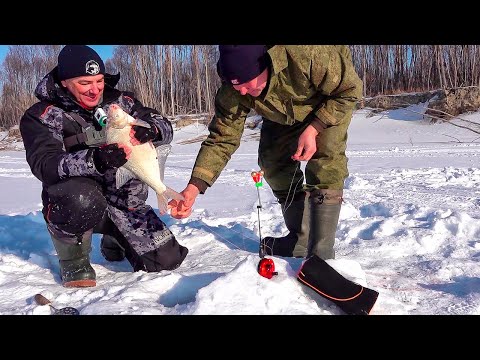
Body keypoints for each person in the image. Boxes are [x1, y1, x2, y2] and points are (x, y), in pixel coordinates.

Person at [169, 45, 362, 261]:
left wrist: (315, 127)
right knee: (273, 162)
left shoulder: (307, 53)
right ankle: (301, 238)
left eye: (246, 82)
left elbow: (349, 90)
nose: (242, 91)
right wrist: (194, 187)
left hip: (330, 100)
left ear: (265, 65)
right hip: (281, 112)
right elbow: (222, 138)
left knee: (325, 161)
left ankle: (321, 254)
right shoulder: (233, 90)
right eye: (236, 86)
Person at [20, 45, 188, 288]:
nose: (95, 89)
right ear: (66, 81)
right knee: (80, 199)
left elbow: (165, 126)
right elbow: (45, 164)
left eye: (99, 80)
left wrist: (152, 129)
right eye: (85, 82)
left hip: (126, 202)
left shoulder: (121, 103)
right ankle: (74, 258)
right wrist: (95, 160)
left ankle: (116, 236)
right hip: (80, 202)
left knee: (167, 261)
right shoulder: (42, 115)